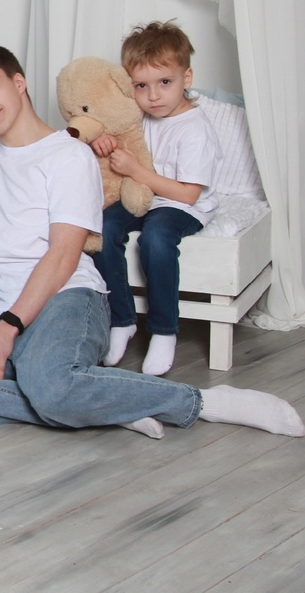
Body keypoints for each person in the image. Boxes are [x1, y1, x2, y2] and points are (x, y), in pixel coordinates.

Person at [0, 45, 304, 440]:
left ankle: (201, 402)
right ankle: (102, 405)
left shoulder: (67, 155)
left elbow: (63, 256)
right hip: (5, 316)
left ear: (19, 82)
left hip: (65, 301)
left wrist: (9, 327)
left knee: (52, 388)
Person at [90, 22, 221, 376]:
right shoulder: (140, 116)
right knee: (102, 228)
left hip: (181, 205)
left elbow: (188, 193)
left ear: (186, 77)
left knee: (157, 239)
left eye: (165, 82)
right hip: (145, 197)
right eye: (141, 86)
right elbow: (112, 131)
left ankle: (164, 330)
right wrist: (100, 139)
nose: (153, 96)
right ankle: (121, 320)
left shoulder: (194, 129)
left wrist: (134, 170)